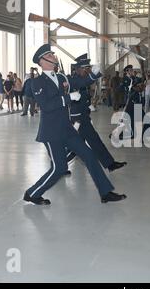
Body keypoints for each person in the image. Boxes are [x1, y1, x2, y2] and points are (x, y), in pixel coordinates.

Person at [24, 44, 127, 205]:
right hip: (52, 132)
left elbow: (81, 81)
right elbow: (46, 105)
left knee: (89, 156)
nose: (54, 57)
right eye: (50, 56)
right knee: (59, 168)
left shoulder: (62, 78)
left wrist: (94, 73)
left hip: (68, 129)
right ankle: (33, 193)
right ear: (42, 61)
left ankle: (106, 193)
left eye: (53, 54)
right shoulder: (36, 83)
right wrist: (68, 98)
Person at [66, 53, 127, 173]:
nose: (87, 71)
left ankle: (110, 164)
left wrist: (89, 105)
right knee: (77, 146)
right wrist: (93, 75)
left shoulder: (81, 79)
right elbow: (82, 84)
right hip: (77, 119)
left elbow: (83, 95)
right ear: (77, 69)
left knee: (91, 142)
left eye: (88, 68)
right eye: (85, 69)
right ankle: (58, 166)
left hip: (83, 116)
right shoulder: (73, 80)